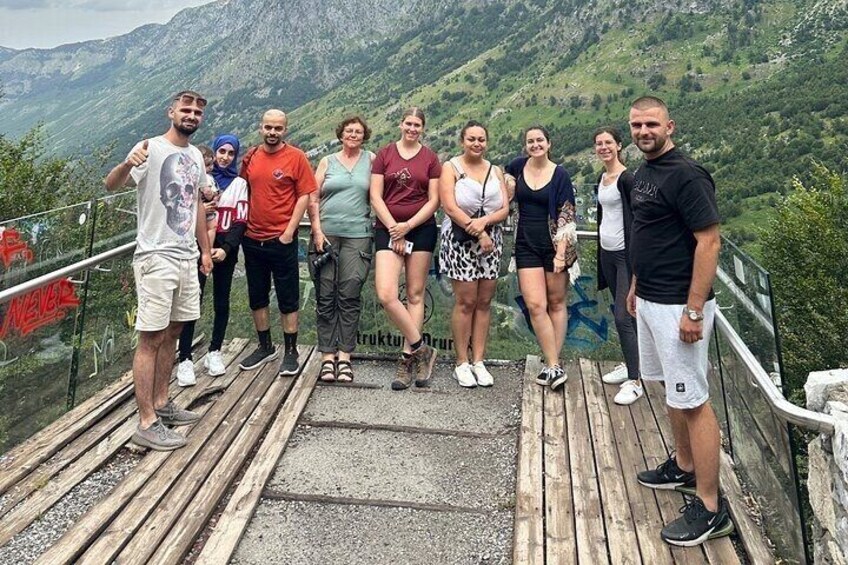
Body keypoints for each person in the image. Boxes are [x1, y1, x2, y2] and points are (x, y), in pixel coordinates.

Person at [626, 96, 731, 546]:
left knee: (694, 401)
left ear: (669, 126)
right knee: (673, 388)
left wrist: (693, 309)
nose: (643, 131)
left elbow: (709, 242)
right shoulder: (644, 173)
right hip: (651, 297)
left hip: (678, 306)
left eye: (651, 124)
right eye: (636, 125)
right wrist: (636, 283)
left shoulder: (687, 175)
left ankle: (711, 507)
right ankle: (684, 467)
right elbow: (648, 233)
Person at [104, 90, 212, 451]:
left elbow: (196, 205)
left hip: (185, 255)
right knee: (150, 338)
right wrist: (126, 164)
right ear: (171, 112)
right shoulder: (150, 147)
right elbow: (111, 185)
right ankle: (147, 421)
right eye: (186, 109)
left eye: (197, 112)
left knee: (174, 331)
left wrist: (204, 250)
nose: (192, 115)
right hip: (155, 256)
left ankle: (163, 403)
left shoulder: (194, 155)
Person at [238, 109, 318, 375]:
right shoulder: (251, 157)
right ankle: (265, 347)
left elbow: (305, 195)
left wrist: (289, 231)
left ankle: (291, 351)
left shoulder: (296, 157)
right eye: (268, 127)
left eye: (278, 128)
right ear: (261, 128)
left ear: (285, 129)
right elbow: (243, 190)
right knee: (257, 295)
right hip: (252, 238)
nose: (273, 132)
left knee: (288, 295)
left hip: (282, 239)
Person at [504, 126, 578, 391]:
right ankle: (554, 364)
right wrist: (509, 182)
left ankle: (551, 364)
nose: (535, 145)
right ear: (525, 145)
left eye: (540, 140)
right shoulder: (518, 165)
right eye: (530, 141)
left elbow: (567, 214)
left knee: (556, 303)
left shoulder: (560, 174)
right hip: (525, 244)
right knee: (536, 306)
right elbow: (505, 172)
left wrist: (560, 254)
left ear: (549, 143)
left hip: (554, 246)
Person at [370, 107, 439, 390]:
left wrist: (407, 226)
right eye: (408, 123)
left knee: (414, 294)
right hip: (387, 228)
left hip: (421, 229)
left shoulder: (430, 158)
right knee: (387, 293)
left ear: (422, 128)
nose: (412, 129)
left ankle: (407, 358)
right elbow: (375, 195)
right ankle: (423, 348)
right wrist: (393, 228)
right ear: (400, 124)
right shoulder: (385, 154)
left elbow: (434, 200)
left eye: (417, 125)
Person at [438, 120, 509, 388]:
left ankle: (479, 360)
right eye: (471, 139)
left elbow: (504, 208)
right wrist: (479, 232)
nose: (477, 144)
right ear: (462, 141)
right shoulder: (451, 168)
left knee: (484, 301)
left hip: (492, 241)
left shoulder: (495, 170)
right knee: (466, 301)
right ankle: (461, 362)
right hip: (461, 241)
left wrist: (485, 223)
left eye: (481, 139)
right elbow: (449, 207)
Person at [176, 134, 249, 385]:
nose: (225, 157)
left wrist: (227, 248)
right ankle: (184, 358)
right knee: (191, 301)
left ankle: (214, 351)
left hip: (225, 249)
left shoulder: (239, 184)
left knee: (221, 300)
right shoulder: (198, 179)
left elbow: (240, 220)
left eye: (230, 153)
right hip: (198, 247)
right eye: (222, 152)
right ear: (215, 153)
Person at [308, 116, 375, 382]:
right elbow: (313, 197)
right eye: (349, 131)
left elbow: (380, 194)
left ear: (364, 135)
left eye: (358, 131)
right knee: (325, 295)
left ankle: (345, 356)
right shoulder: (328, 161)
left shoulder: (371, 160)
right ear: (341, 134)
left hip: (358, 235)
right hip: (326, 235)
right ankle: (327, 356)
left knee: (350, 292)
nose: (353, 135)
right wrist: (316, 230)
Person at [593, 126, 641, 405]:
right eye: (599, 143)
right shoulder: (602, 178)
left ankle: (635, 381)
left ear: (619, 145)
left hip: (625, 256)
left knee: (624, 316)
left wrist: (636, 263)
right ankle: (631, 363)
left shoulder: (627, 179)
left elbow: (638, 219)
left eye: (608, 143)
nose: (603, 147)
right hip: (607, 254)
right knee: (624, 314)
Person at [198, 145, 220, 249]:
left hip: (199, 209)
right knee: (212, 227)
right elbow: (208, 193)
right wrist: (213, 195)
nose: (211, 167)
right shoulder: (206, 178)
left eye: (212, 164)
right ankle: (208, 248)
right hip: (207, 207)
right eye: (207, 165)